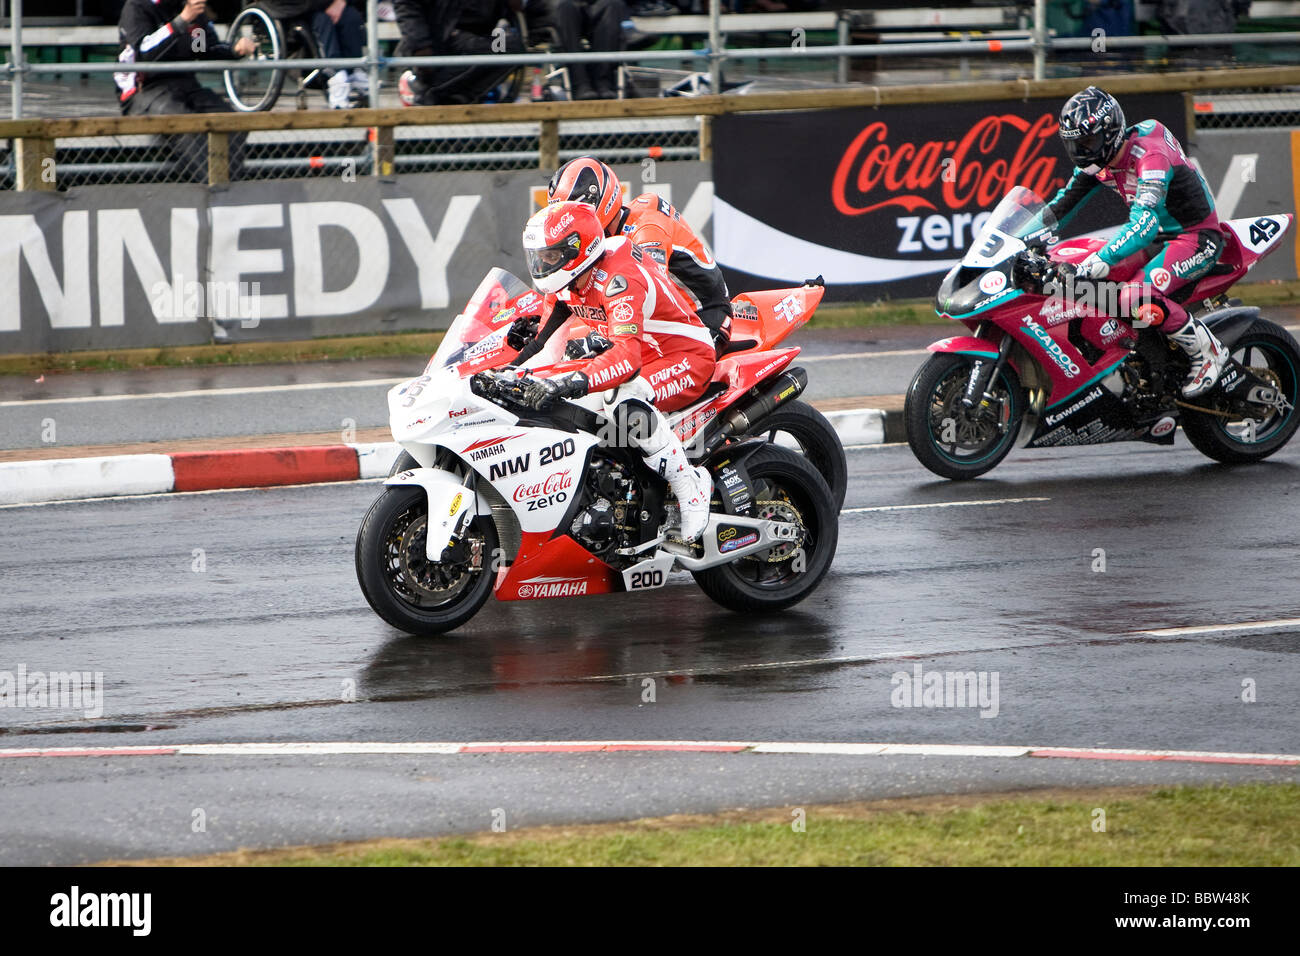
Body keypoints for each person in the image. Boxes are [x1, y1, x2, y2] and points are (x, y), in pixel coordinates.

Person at [513, 201, 716, 540]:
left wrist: (572, 382)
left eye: (550, 256)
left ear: (577, 250)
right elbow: (542, 346)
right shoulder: (565, 281)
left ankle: (690, 485)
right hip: (645, 354)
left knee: (623, 400)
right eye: (539, 256)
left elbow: (626, 358)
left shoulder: (619, 279)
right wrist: (501, 373)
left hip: (684, 356)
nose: (542, 263)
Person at [1048, 86, 1227, 398]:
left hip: (1195, 237)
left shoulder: (1151, 156)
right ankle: (1136, 355)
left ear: (1111, 133)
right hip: (1158, 241)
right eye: (1074, 144)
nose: (1081, 152)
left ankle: (1208, 351)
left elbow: (1144, 223)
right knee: (1080, 278)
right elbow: (1059, 207)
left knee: (1132, 296)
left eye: (1087, 141)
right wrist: (1017, 236)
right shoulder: (1098, 162)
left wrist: (1104, 257)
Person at [547, 157, 733, 352]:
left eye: (574, 211)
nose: (568, 221)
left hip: (703, 318)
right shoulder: (598, 238)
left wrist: (596, 340)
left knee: (622, 369)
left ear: (598, 201)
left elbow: (650, 300)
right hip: (664, 324)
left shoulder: (646, 228)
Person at [116, 0, 255, 181]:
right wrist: (182, 20)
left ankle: (230, 182)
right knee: (185, 123)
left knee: (233, 121)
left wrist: (234, 50)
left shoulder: (191, 10)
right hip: (145, 89)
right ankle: (215, 186)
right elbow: (144, 53)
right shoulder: (137, 7)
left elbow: (202, 48)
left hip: (186, 84)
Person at [394, 0, 524, 105]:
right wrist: (421, 45)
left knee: (514, 47)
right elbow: (406, 5)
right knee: (479, 47)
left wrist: (515, 5)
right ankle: (427, 93)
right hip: (441, 38)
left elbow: (532, 8)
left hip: (481, 39)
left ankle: (459, 98)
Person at [257, 0, 369, 108]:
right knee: (322, 18)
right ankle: (336, 75)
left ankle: (354, 70)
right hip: (290, 10)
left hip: (318, 6)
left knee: (350, 16)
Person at [522, 0, 628, 100]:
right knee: (566, 6)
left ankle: (603, 82)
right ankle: (579, 83)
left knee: (613, 4)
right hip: (552, 8)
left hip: (586, 6)